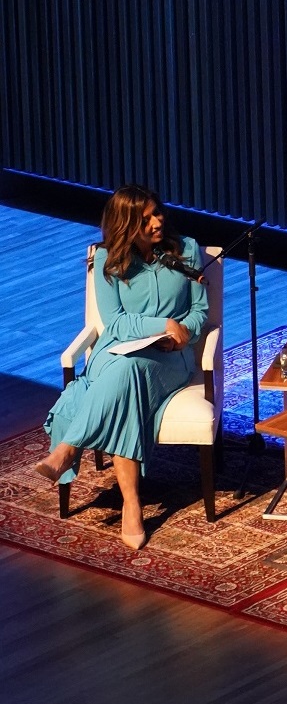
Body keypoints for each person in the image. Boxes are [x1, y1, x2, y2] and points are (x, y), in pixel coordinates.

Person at [36, 184, 209, 551]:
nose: (157, 222)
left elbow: (199, 312)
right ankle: (131, 503)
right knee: (125, 371)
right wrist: (163, 324)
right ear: (126, 225)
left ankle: (68, 449)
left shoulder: (187, 250)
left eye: (157, 213)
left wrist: (183, 333)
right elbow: (114, 323)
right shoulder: (107, 260)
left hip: (170, 357)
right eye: (145, 219)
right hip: (118, 352)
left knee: (126, 375)